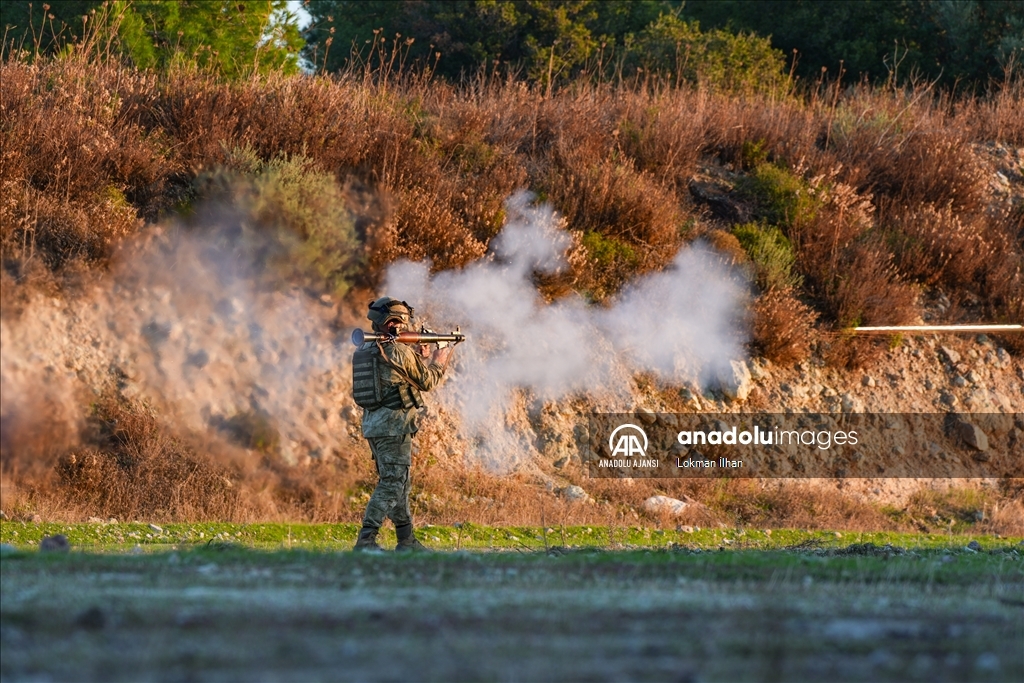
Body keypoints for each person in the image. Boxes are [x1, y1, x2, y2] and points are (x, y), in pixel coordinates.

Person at [352, 297, 453, 552]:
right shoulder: (397, 349)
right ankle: (366, 540)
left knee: (400, 483)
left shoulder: (368, 348)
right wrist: (440, 358)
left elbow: (400, 374)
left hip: (377, 425)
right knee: (393, 482)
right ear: (395, 322)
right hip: (394, 426)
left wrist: (420, 355)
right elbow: (427, 381)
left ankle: (406, 540)